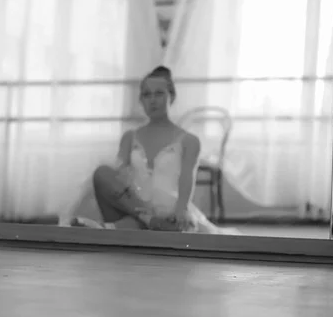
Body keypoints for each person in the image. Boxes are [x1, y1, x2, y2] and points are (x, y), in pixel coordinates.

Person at [92, 66, 238, 235]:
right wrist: (122, 176)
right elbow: (118, 172)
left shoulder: (189, 141)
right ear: (141, 100)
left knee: (166, 223)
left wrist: (181, 209)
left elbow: (186, 178)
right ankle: (145, 222)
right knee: (101, 173)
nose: (152, 100)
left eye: (159, 94)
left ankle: (112, 229)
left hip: (168, 208)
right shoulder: (129, 137)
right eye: (147, 95)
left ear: (172, 97)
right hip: (134, 206)